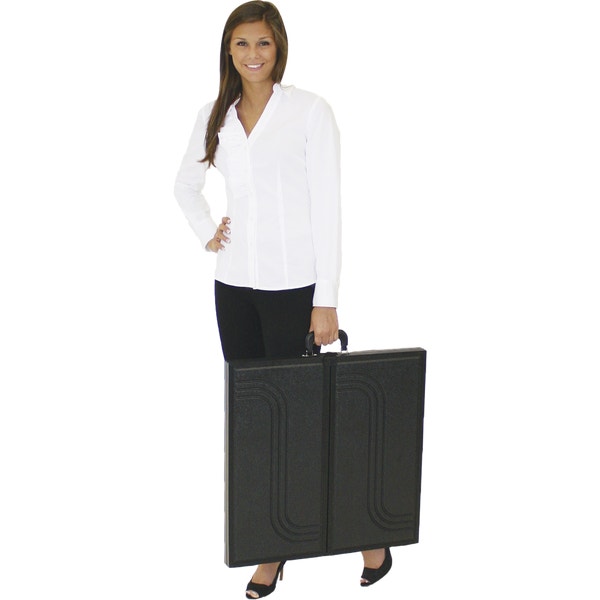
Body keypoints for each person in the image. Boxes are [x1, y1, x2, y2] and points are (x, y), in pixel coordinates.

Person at [174, 2, 391, 597]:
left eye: (263, 43)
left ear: (279, 48)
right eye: (242, 43)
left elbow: (328, 207)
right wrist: (208, 232)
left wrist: (327, 299)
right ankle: (271, 546)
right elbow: (185, 185)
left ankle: (368, 533)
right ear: (228, 50)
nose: (253, 55)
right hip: (234, 288)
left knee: (310, 420)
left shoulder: (309, 112)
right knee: (258, 425)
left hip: (296, 289)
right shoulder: (214, 115)